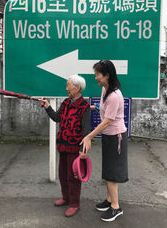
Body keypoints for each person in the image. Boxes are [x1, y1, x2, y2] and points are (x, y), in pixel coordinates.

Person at [80, 60, 128, 222]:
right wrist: (90, 108)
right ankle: (109, 200)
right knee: (108, 170)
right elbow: (104, 109)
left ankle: (116, 207)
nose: (95, 78)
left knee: (112, 173)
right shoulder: (105, 89)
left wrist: (88, 136)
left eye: (97, 75)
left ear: (107, 75)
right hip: (109, 136)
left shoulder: (115, 96)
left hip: (116, 137)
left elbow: (107, 121)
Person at [40, 74, 90, 217]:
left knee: (73, 176)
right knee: (62, 174)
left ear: (78, 88)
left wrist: (83, 150)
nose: (66, 88)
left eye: (69, 85)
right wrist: (47, 107)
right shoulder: (66, 103)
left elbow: (86, 131)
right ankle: (66, 198)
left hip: (75, 147)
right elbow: (57, 118)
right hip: (62, 145)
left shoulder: (84, 106)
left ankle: (74, 203)